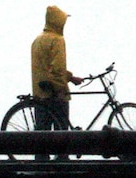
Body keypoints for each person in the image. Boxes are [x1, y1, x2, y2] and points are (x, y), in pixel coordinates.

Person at [31, 6, 83, 159]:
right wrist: (62, 88)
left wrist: (71, 78)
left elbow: (46, 67)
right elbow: (57, 69)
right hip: (55, 90)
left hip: (40, 91)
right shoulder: (58, 40)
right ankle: (62, 159)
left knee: (42, 132)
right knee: (61, 131)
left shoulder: (37, 40)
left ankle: (41, 164)